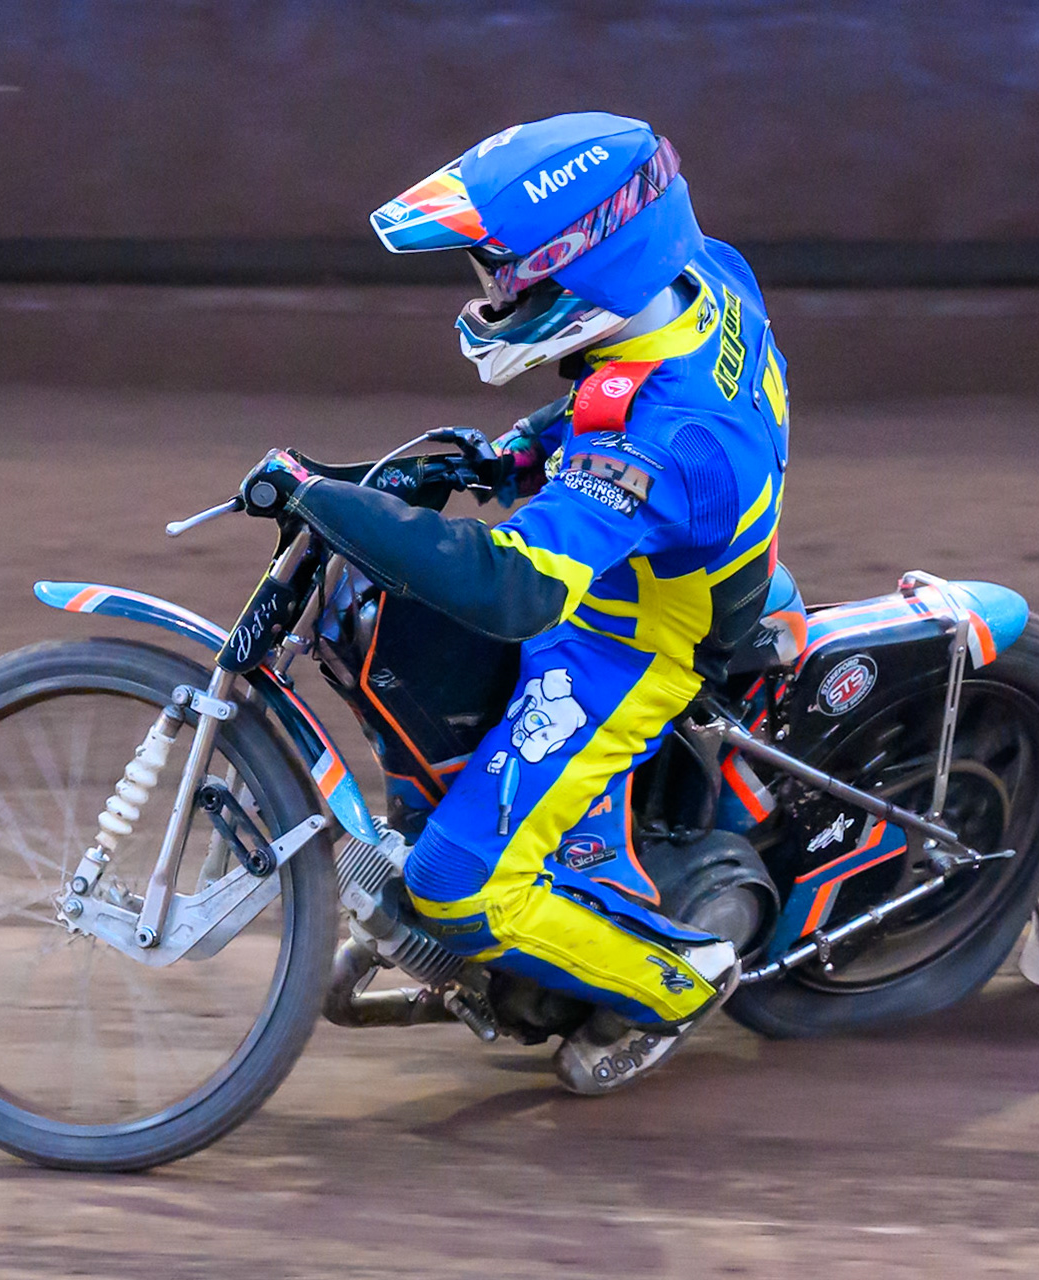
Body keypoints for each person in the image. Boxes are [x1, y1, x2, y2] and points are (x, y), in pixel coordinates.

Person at [237, 112, 790, 1094]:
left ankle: (674, 984)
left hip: (632, 644)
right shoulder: (700, 276)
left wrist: (329, 498)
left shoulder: (673, 439)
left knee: (457, 884)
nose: (492, 296)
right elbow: (610, 392)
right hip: (656, 552)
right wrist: (509, 455)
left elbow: (516, 587)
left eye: (508, 277)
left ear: (592, 268)